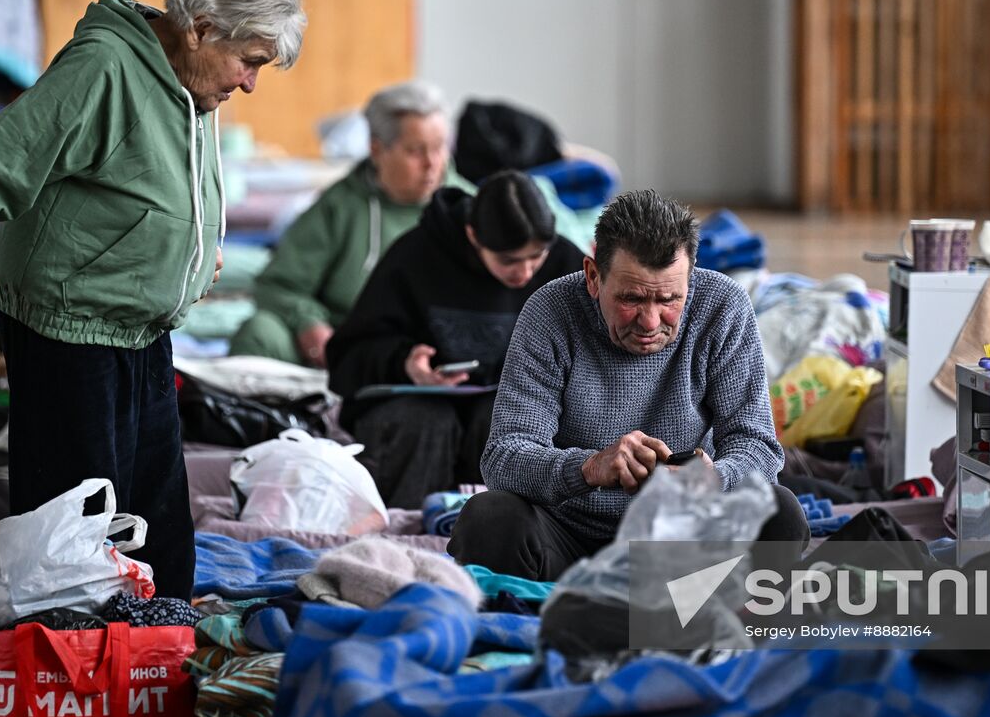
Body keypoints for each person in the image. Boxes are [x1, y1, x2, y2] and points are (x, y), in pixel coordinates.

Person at [0, 0, 307, 600]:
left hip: (139, 333)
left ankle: (153, 680)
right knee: (75, 553)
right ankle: (81, 690)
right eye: (250, 61)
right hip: (70, 337)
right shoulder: (104, 70)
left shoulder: (190, 84)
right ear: (201, 27)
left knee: (158, 537)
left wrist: (196, 245)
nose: (250, 82)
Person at [447, 189, 810, 581]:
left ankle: (657, 612)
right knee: (488, 519)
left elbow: (757, 446)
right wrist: (588, 467)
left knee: (780, 513)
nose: (651, 322)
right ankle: (608, 617)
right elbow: (504, 458)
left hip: (685, 541)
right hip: (569, 540)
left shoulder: (723, 306)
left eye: (670, 299)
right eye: (632, 299)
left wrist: (716, 478)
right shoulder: (548, 313)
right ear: (592, 277)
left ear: (690, 279)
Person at [326, 170, 586, 507]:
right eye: (508, 260)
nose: (524, 273)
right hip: (417, 406)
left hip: (506, 404)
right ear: (473, 235)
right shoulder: (415, 256)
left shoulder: (565, 264)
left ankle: (501, 536)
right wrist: (405, 362)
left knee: (504, 422)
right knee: (423, 422)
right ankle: (408, 534)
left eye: (536, 257)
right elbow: (347, 356)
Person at [228, 80, 472, 367]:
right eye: (416, 151)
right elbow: (278, 285)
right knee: (260, 333)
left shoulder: (470, 209)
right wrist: (310, 326)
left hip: (434, 349)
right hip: (344, 348)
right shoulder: (340, 206)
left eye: (440, 147)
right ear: (378, 149)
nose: (432, 163)